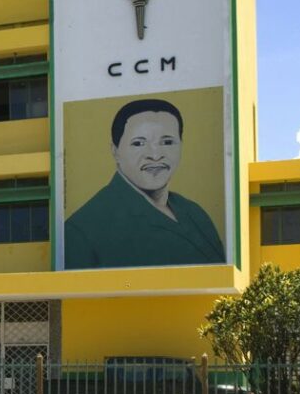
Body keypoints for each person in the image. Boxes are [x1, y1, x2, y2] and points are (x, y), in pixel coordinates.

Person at [64, 98, 225, 269]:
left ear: (181, 145)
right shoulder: (83, 230)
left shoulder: (195, 213)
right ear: (115, 151)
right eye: (138, 143)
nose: (155, 155)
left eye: (167, 142)